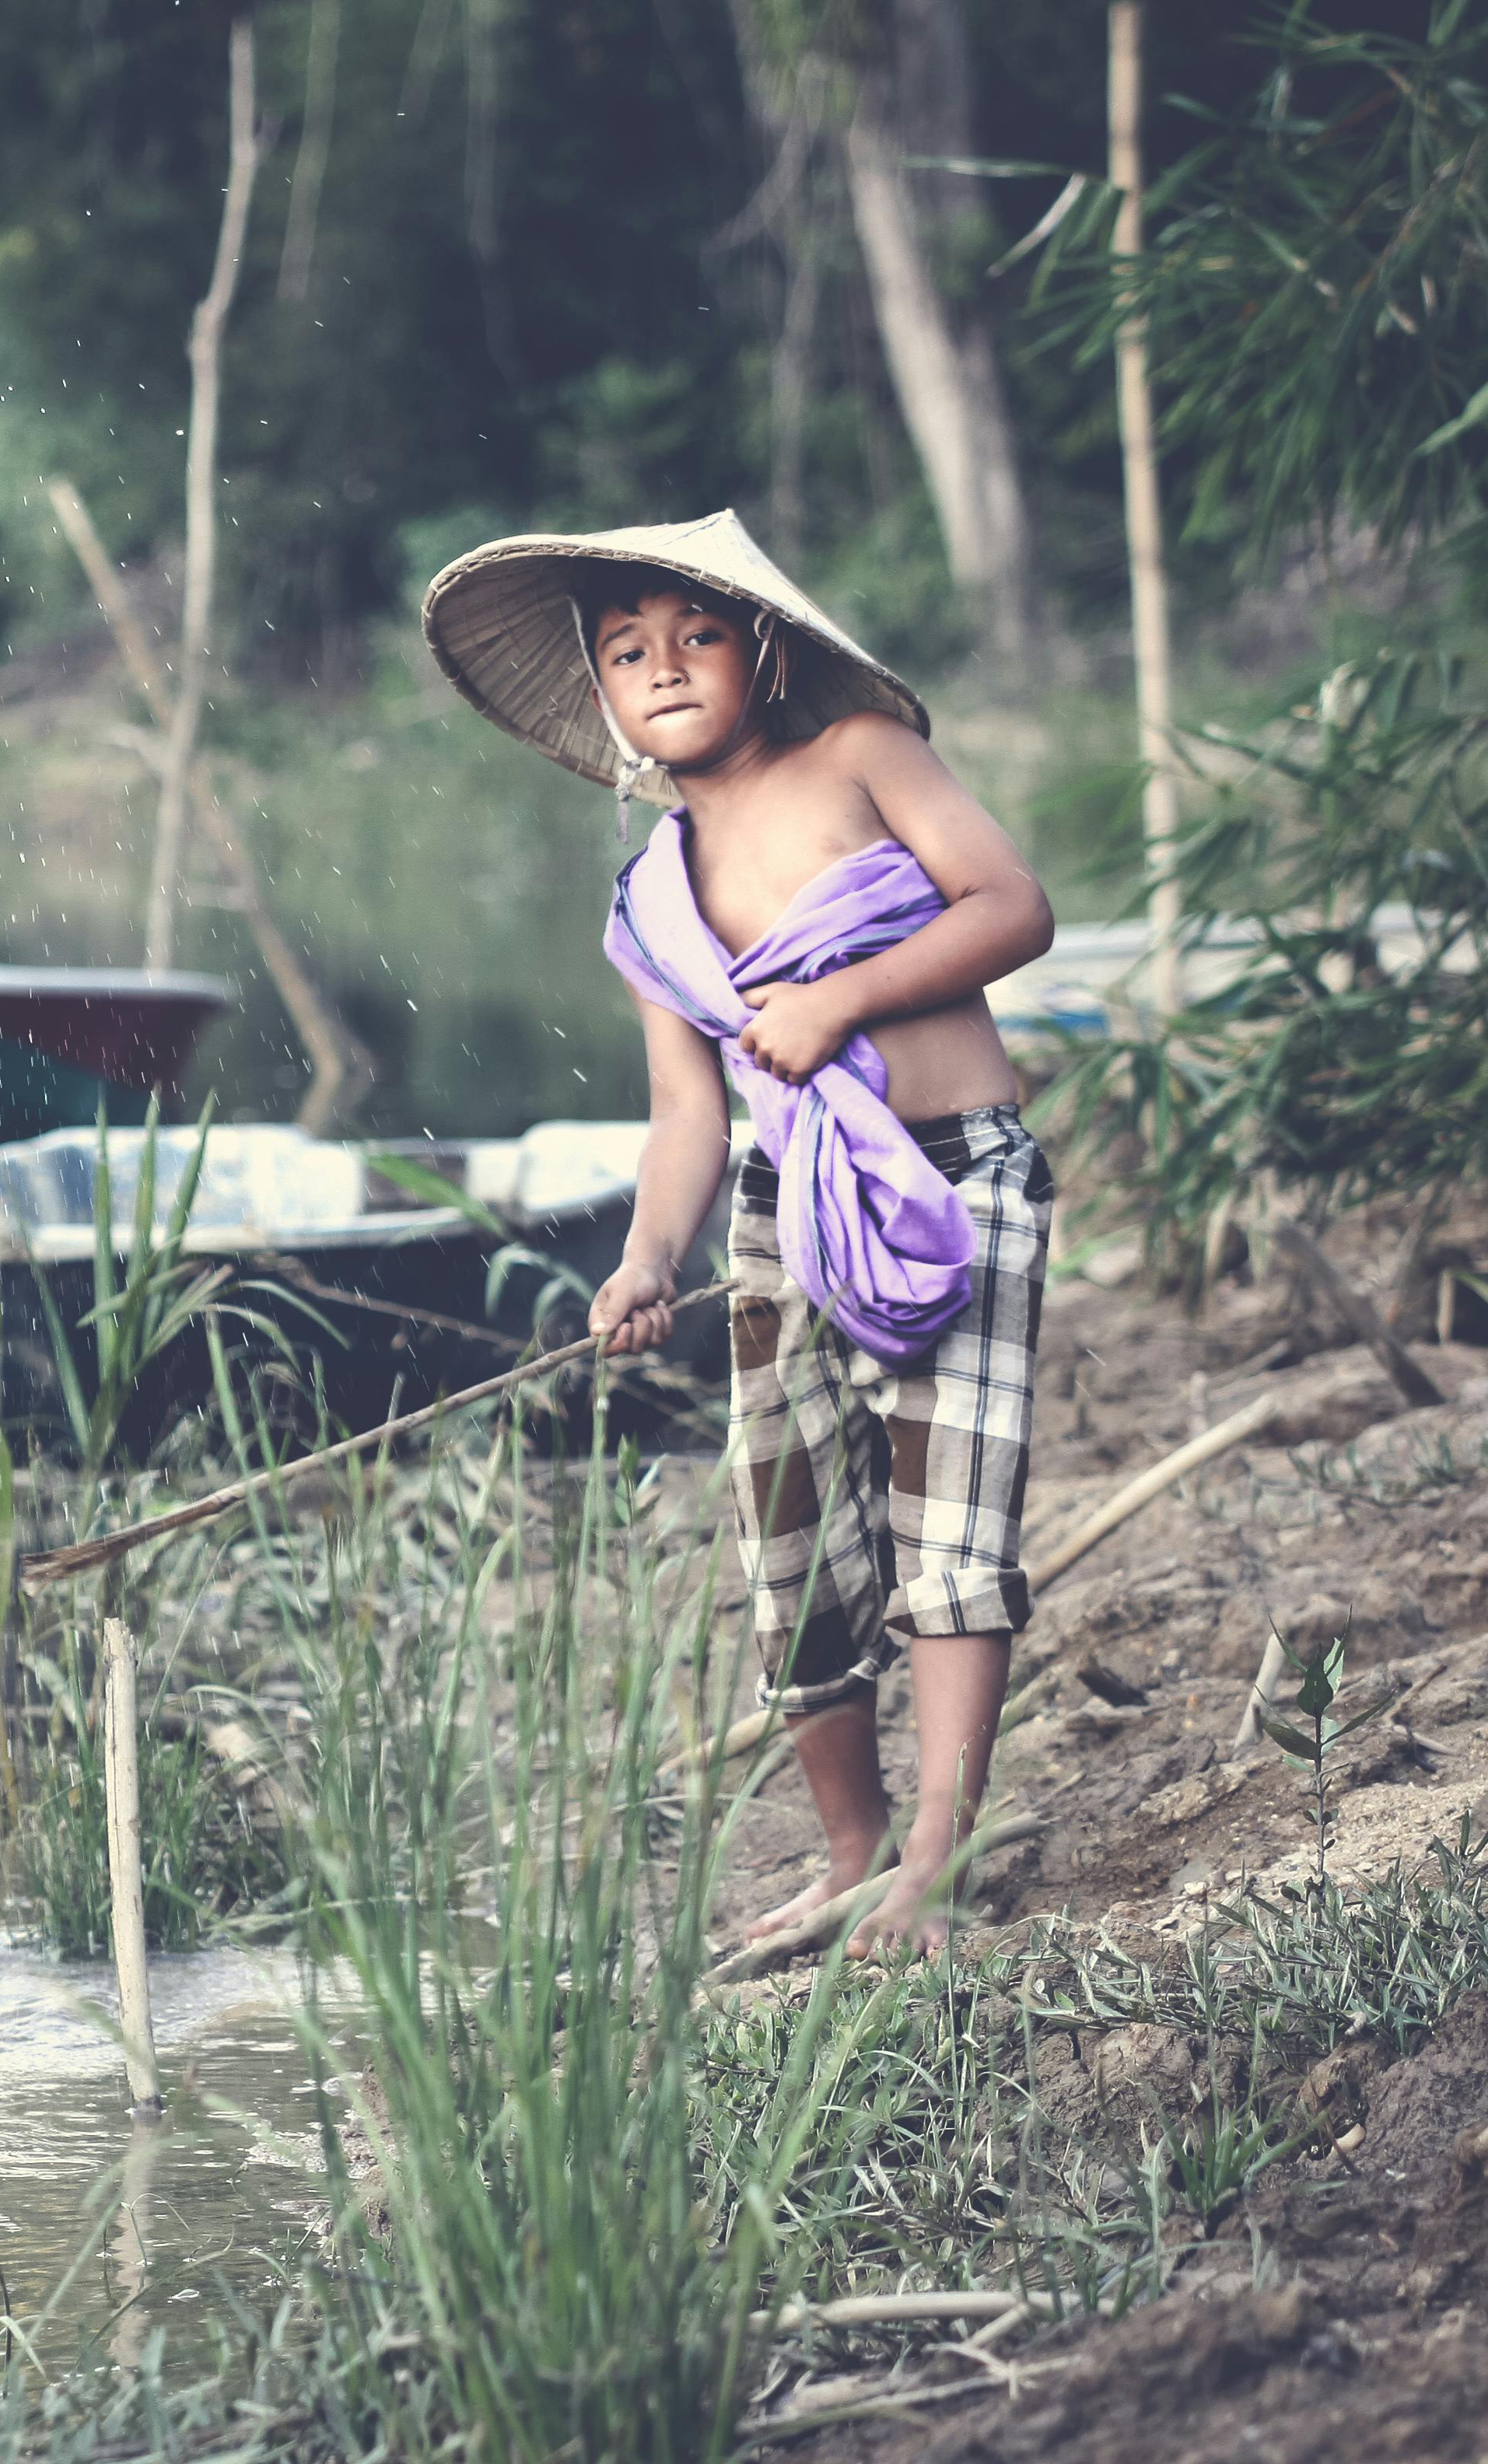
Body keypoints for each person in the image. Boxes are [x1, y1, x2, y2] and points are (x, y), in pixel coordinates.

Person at [420, 512, 1056, 1956]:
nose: (663, 667)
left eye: (693, 634)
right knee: (793, 1534)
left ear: (762, 650)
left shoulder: (859, 761)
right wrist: (646, 1259)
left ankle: (939, 1864)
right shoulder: (654, 890)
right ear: (602, 691)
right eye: (627, 649)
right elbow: (686, 1113)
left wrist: (840, 1002)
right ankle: (854, 1848)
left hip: (952, 1182)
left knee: (946, 1524)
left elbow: (1013, 906)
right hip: (783, 1216)